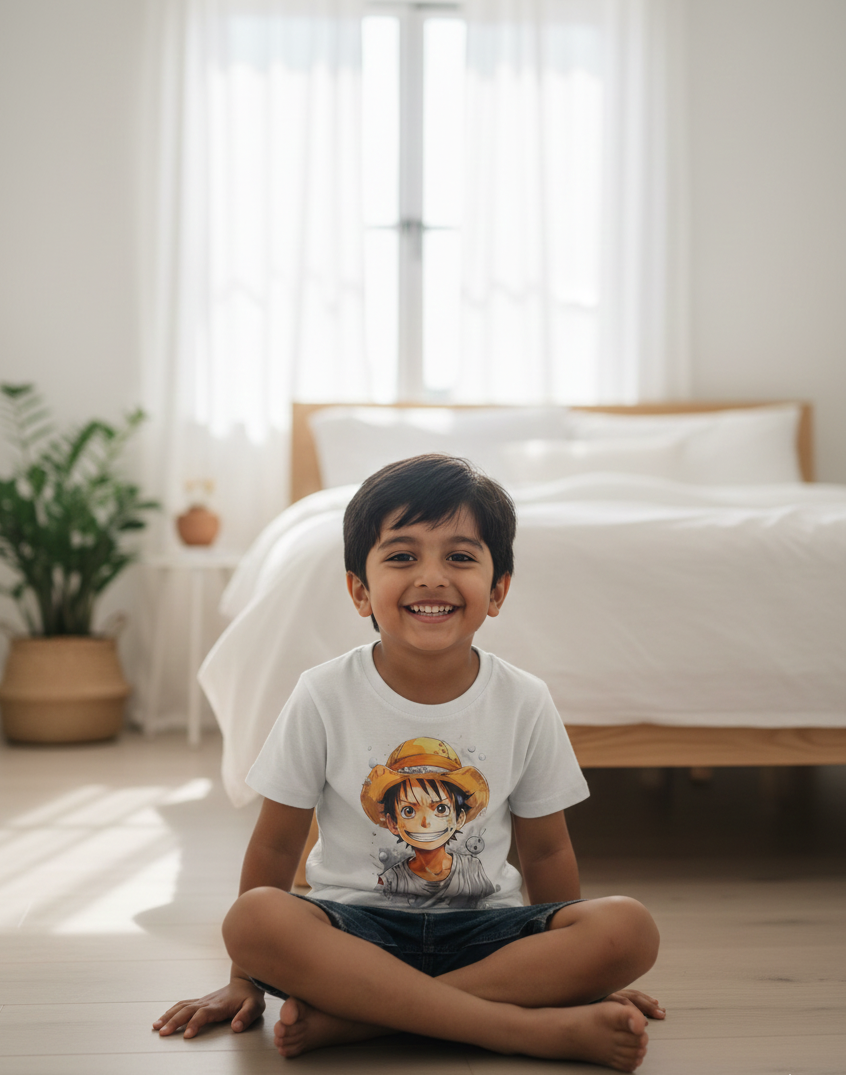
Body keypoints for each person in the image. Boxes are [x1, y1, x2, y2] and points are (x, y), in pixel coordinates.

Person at [153, 454, 664, 1072]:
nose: (431, 577)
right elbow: (274, 847)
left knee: (628, 928)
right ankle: (519, 1028)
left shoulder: (524, 698)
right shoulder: (322, 693)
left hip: (485, 938)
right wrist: (245, 978)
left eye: (460, 557)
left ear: (497, 590)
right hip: (353, 935)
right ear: (359, 590)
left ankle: (363, 1022)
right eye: (401, 556)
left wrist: (579, 976)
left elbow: (548, 853)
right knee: (255, 918)